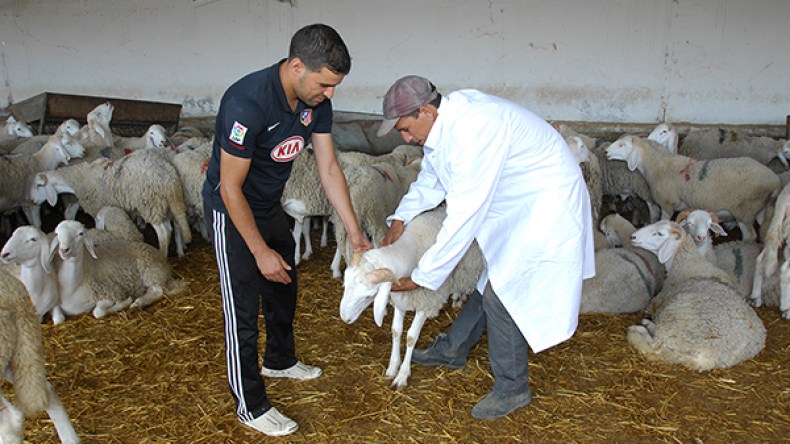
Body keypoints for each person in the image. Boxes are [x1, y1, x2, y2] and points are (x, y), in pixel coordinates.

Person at [377, 75, 595, 420]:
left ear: (426, 112)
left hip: (546, 206)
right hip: (520, 204)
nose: (405, 138)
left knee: (502, 295)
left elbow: (463, 215)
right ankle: (453, 349)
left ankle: (513, 388)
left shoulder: (474, 131)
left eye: (405, 129)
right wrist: (401, 216)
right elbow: (433, 177)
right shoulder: (446, 124)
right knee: (490, 280)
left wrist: (423, 275)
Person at [201, 24, 370, 437]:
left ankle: (279, 359)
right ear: (296, 66)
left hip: (267, 205)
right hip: (230, 209)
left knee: (285, 282)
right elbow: (229, 186)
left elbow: (328, 168)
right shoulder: (248, 103)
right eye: (325, 83)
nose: (329, 93)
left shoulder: (317, 102)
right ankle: (251, 405)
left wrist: (354, 231)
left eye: (335, 86)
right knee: (242, 307)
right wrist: (258, 251)